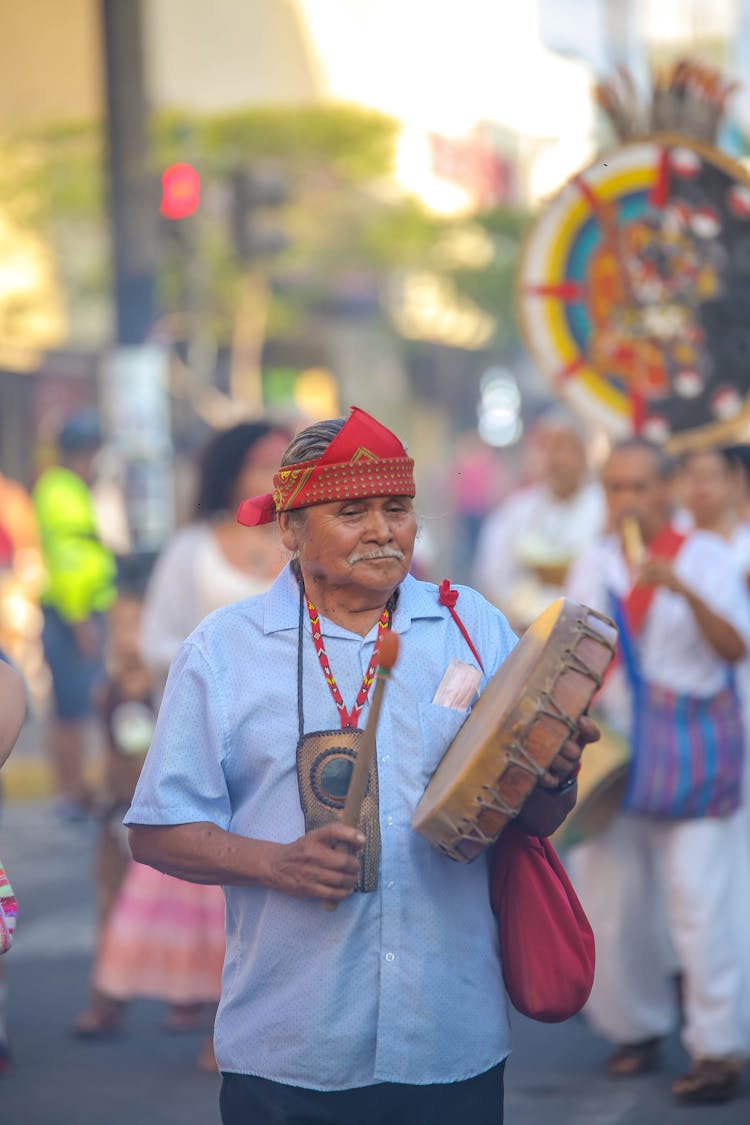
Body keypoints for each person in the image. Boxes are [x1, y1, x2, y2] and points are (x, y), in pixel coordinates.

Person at [125, 405, 596, 1125]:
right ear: (290, 528)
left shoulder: (473, 626)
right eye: (352, 510)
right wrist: (277, 862)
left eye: (397, 508)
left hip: (450, 1038)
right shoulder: (222, 652)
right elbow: (157, 830)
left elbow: (532, 818)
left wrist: (553, 771)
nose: (383, 530)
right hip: (290, 1046)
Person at [74, 422, 293, 1068]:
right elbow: (157, 643)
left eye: (283, 462)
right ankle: (218, 1020)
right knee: (211, 880)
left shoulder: (306, 540)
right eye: (258, 463)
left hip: (292, 742)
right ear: (228, 473)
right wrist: (227, 661)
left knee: (282, 880)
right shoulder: (191, 548)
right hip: (209, 733)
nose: (271, 474)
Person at [565, 437, 750, 1105]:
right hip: (617, 750)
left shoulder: (705, 555)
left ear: (667, 489)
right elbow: (573, 652)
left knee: (701, 899)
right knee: (615, 899)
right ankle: (634, 1025)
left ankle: (718, 1044)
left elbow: (736, 646)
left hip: (695, 747)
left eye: (641, 486)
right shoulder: (594, 562)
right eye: (616, 488)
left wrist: (683, 591)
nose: (629, 501)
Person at [32, 410, 117, 818]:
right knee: (70, 709)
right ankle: (70, 794)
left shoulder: (70, 487)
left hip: (79, 611)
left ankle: (77, 789)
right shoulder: (60, 488)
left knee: (79, 706)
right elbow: (66, 561)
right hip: (72, 615)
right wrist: (80, 621)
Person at [473, 409, 605, 633]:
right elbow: (492, 576)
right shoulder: (516, 510)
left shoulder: (603, 509)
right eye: (548, 449)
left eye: (565, 448)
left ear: (584, 453)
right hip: (523, 634)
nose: (556, 460)